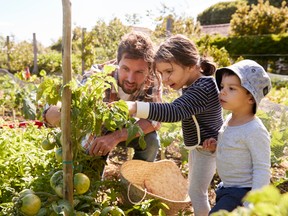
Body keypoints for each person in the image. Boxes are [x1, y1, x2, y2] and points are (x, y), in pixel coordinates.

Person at [126, 34, 223, 216]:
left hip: (209, 149)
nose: (164, 79)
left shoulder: (203, 88)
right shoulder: (196, 85)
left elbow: (173, 111)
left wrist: (134, 107)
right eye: (161, 73)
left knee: (197, 193)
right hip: (202, 147)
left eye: (169, 71)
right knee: (197, 190)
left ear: (190, 65)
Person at [43, 31, 162, 162]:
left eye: (139, 72)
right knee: (90, 170)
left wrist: (115, 137)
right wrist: (57, 112)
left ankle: (135, 180)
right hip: (97, 129)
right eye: (125, 69)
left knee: (151, 141)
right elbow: (69, 113)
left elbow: (154, 120)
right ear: (117, 63)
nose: (131, 78)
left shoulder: (153, 79)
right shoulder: (98, 77)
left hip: (126, 128)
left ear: (149, 69)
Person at [203, 59, 272, 214]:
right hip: (226, 188)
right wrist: (216, 147)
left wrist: (251, 204)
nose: (223, 92)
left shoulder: (254, 130)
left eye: (232, 88)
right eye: (222, 87)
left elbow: (262, 169)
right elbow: (234, 148)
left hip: (242, 193)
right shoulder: (229, 119)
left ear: (250, 98)